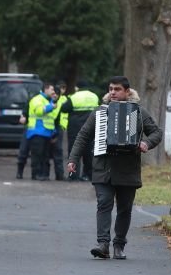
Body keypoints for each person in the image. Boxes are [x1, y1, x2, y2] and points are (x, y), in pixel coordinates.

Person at [66, 76, 162, 260]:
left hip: (128, 169)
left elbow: (156, 132)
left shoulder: (139, 112)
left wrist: (146, 143)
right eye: (110, 89)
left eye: (117, 89)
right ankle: (103, 244)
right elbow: (83, 136)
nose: (113, 92)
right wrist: (73, 159)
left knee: (125, 208)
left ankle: (119, 244)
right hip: (104, 167)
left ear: (127, 91)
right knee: (104, 203)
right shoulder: (100, 113)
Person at [61, 80, 99, 181]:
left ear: (77, 87)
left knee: (74, 152)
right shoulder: (94, 96)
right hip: (91, 127)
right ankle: (87, 175)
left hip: (75, 128)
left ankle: (74, 175)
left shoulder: (74, 97)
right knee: (89, 152)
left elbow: (64, 109)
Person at [26, 83, 61, 180]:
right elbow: (39, 111)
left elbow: (51, 118)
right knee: (37, 154)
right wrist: (51, 106)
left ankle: (44, 174)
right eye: (51, 89)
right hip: (37, 131)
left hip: (46, 132)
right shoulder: (37, 99)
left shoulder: (48, 101)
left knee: (45, 155)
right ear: (45, 89)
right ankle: (36, 174)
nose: (53, 92)